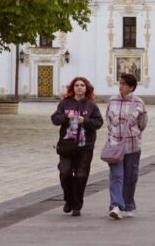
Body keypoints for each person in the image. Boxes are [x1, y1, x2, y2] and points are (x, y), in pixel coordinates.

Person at [51, 76, 103, 217]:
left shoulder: (91, 105)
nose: (79, 87)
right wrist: (65, 117)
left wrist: (84, 120)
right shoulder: (65, 103)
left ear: (86, 88)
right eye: (76, 85)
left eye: (82, 85)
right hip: (67, 145)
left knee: (81, 175)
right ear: (72, 88)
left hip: (85, 146)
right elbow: (55, 119)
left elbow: (98, 123)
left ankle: (77, 204)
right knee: (65, 172)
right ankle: (68, 199)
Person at [105, 73, 147, 220]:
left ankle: (128, 204)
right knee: (116, 176)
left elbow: (143, 123)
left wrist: (135, 134)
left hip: (132, 145)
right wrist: (113, 133)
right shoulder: (112, 100)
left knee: (131, 176)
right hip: (115, 145)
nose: (120, 86)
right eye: (120, 83)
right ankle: (115, 205)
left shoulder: (138, 103)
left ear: (131, 87)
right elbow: (108, 120)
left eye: (124, 84)